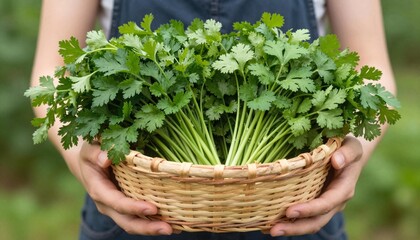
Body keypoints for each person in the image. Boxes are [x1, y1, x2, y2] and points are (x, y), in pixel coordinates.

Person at [30, 0, 396, 239]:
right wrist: (90, 173)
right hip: (134, 211)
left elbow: (372, 71)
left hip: (293, 211)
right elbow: (51, 72)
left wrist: (351, 157)